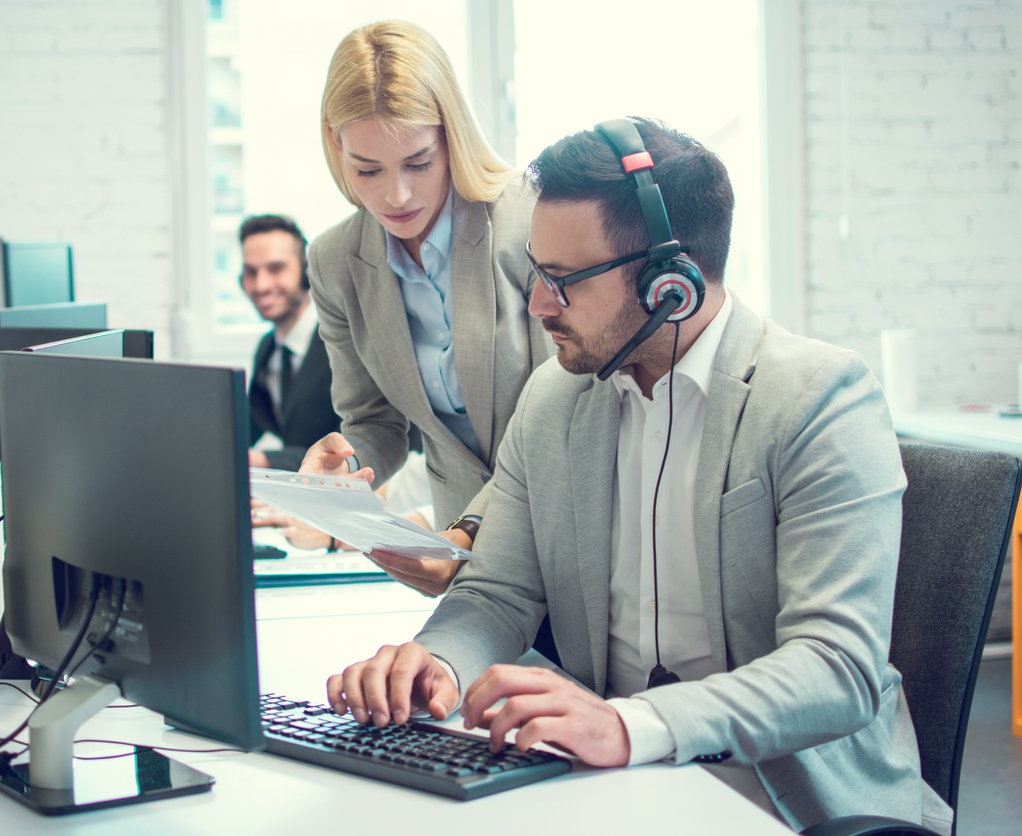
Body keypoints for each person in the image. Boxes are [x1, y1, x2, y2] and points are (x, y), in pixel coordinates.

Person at [324, 118, 953, 833]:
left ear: (670, 285)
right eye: (536, 272)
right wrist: (436, 664)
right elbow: (498, 593)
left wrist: (633, 725)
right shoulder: (555, 400)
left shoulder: (819, 398)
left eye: (561, 282)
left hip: (786, 796)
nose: (537, 306)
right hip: (615, 786)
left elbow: (836, 667)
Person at [300, 20, 553, 595]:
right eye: (368, 169)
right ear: (335, 145)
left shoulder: (526, 222)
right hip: (458, 553)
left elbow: (562, 414)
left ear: (452, 137)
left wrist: (470, 529)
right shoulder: (336, 260)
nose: (397, 196)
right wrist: (340, 469)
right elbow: (373, 424)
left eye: (418, 162)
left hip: (565, 525)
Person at [239, 214, 340, 471]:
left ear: (306, 273)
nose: (261, 285)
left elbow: (356, 444)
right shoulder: (268, 349)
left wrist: (264, 460)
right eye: (251, 272)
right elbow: (248, 424)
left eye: (276, 269)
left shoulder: (341, 343)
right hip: (299, 491)